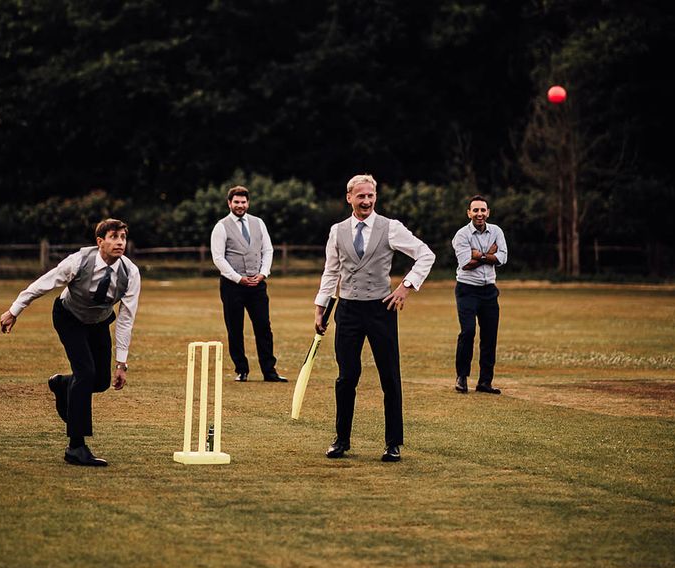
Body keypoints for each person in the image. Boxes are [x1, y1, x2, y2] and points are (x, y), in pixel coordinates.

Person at [0, 218, 141, 467]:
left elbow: (127, 318)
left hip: (99, 322)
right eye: (114, 237)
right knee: (85, 373)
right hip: (69, 317)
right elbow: (45, 283)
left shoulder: (130, 273)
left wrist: (121, 363)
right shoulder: (79, 261)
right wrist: (14, 310)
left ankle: (62, 384)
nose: (120, 243)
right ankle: (76, 447)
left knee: (100, 381)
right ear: (100, 242)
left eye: (123, 238)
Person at [314, 174, 435, 462]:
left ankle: (393, 443)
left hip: (382, 310)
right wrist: (321, 306)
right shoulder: (337, 231)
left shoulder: (390, 228)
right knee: (346, 378)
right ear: (349, 198)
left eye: (370, 196)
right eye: (361, 196)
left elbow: (426, 255)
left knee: (390, 377)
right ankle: (341, 440)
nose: (366, 201)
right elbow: (331, 272)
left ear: (375, 197)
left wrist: (406, 287)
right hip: (348, 311)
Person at [210, 185, 286, 382]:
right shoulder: (221, 226)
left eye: (243, 202)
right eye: (236, 202)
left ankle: (270, 371)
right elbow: (218, 258)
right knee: (235, 328)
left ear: (248, 203)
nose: (240, 205)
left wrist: (263, 273)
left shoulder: (258, 223)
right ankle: (241, 370)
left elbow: (267, 250)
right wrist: (238, 278)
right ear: (229, 203)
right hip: (232, 285)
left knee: (263, 327)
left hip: (257, 284)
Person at [452, 195, 508, 395]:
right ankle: (461, 377)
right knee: (467, 332)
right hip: (467, 289)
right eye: (475, 210)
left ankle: (485, 382)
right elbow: (465, 264)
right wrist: (489, 255)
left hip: (489, 291)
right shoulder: (461, 235)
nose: (479, 214)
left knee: (489, 336)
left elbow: (502, 258)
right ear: (469, 213)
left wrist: (479, 255)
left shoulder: (497, 231)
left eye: (483, 210)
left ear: (488, 212)